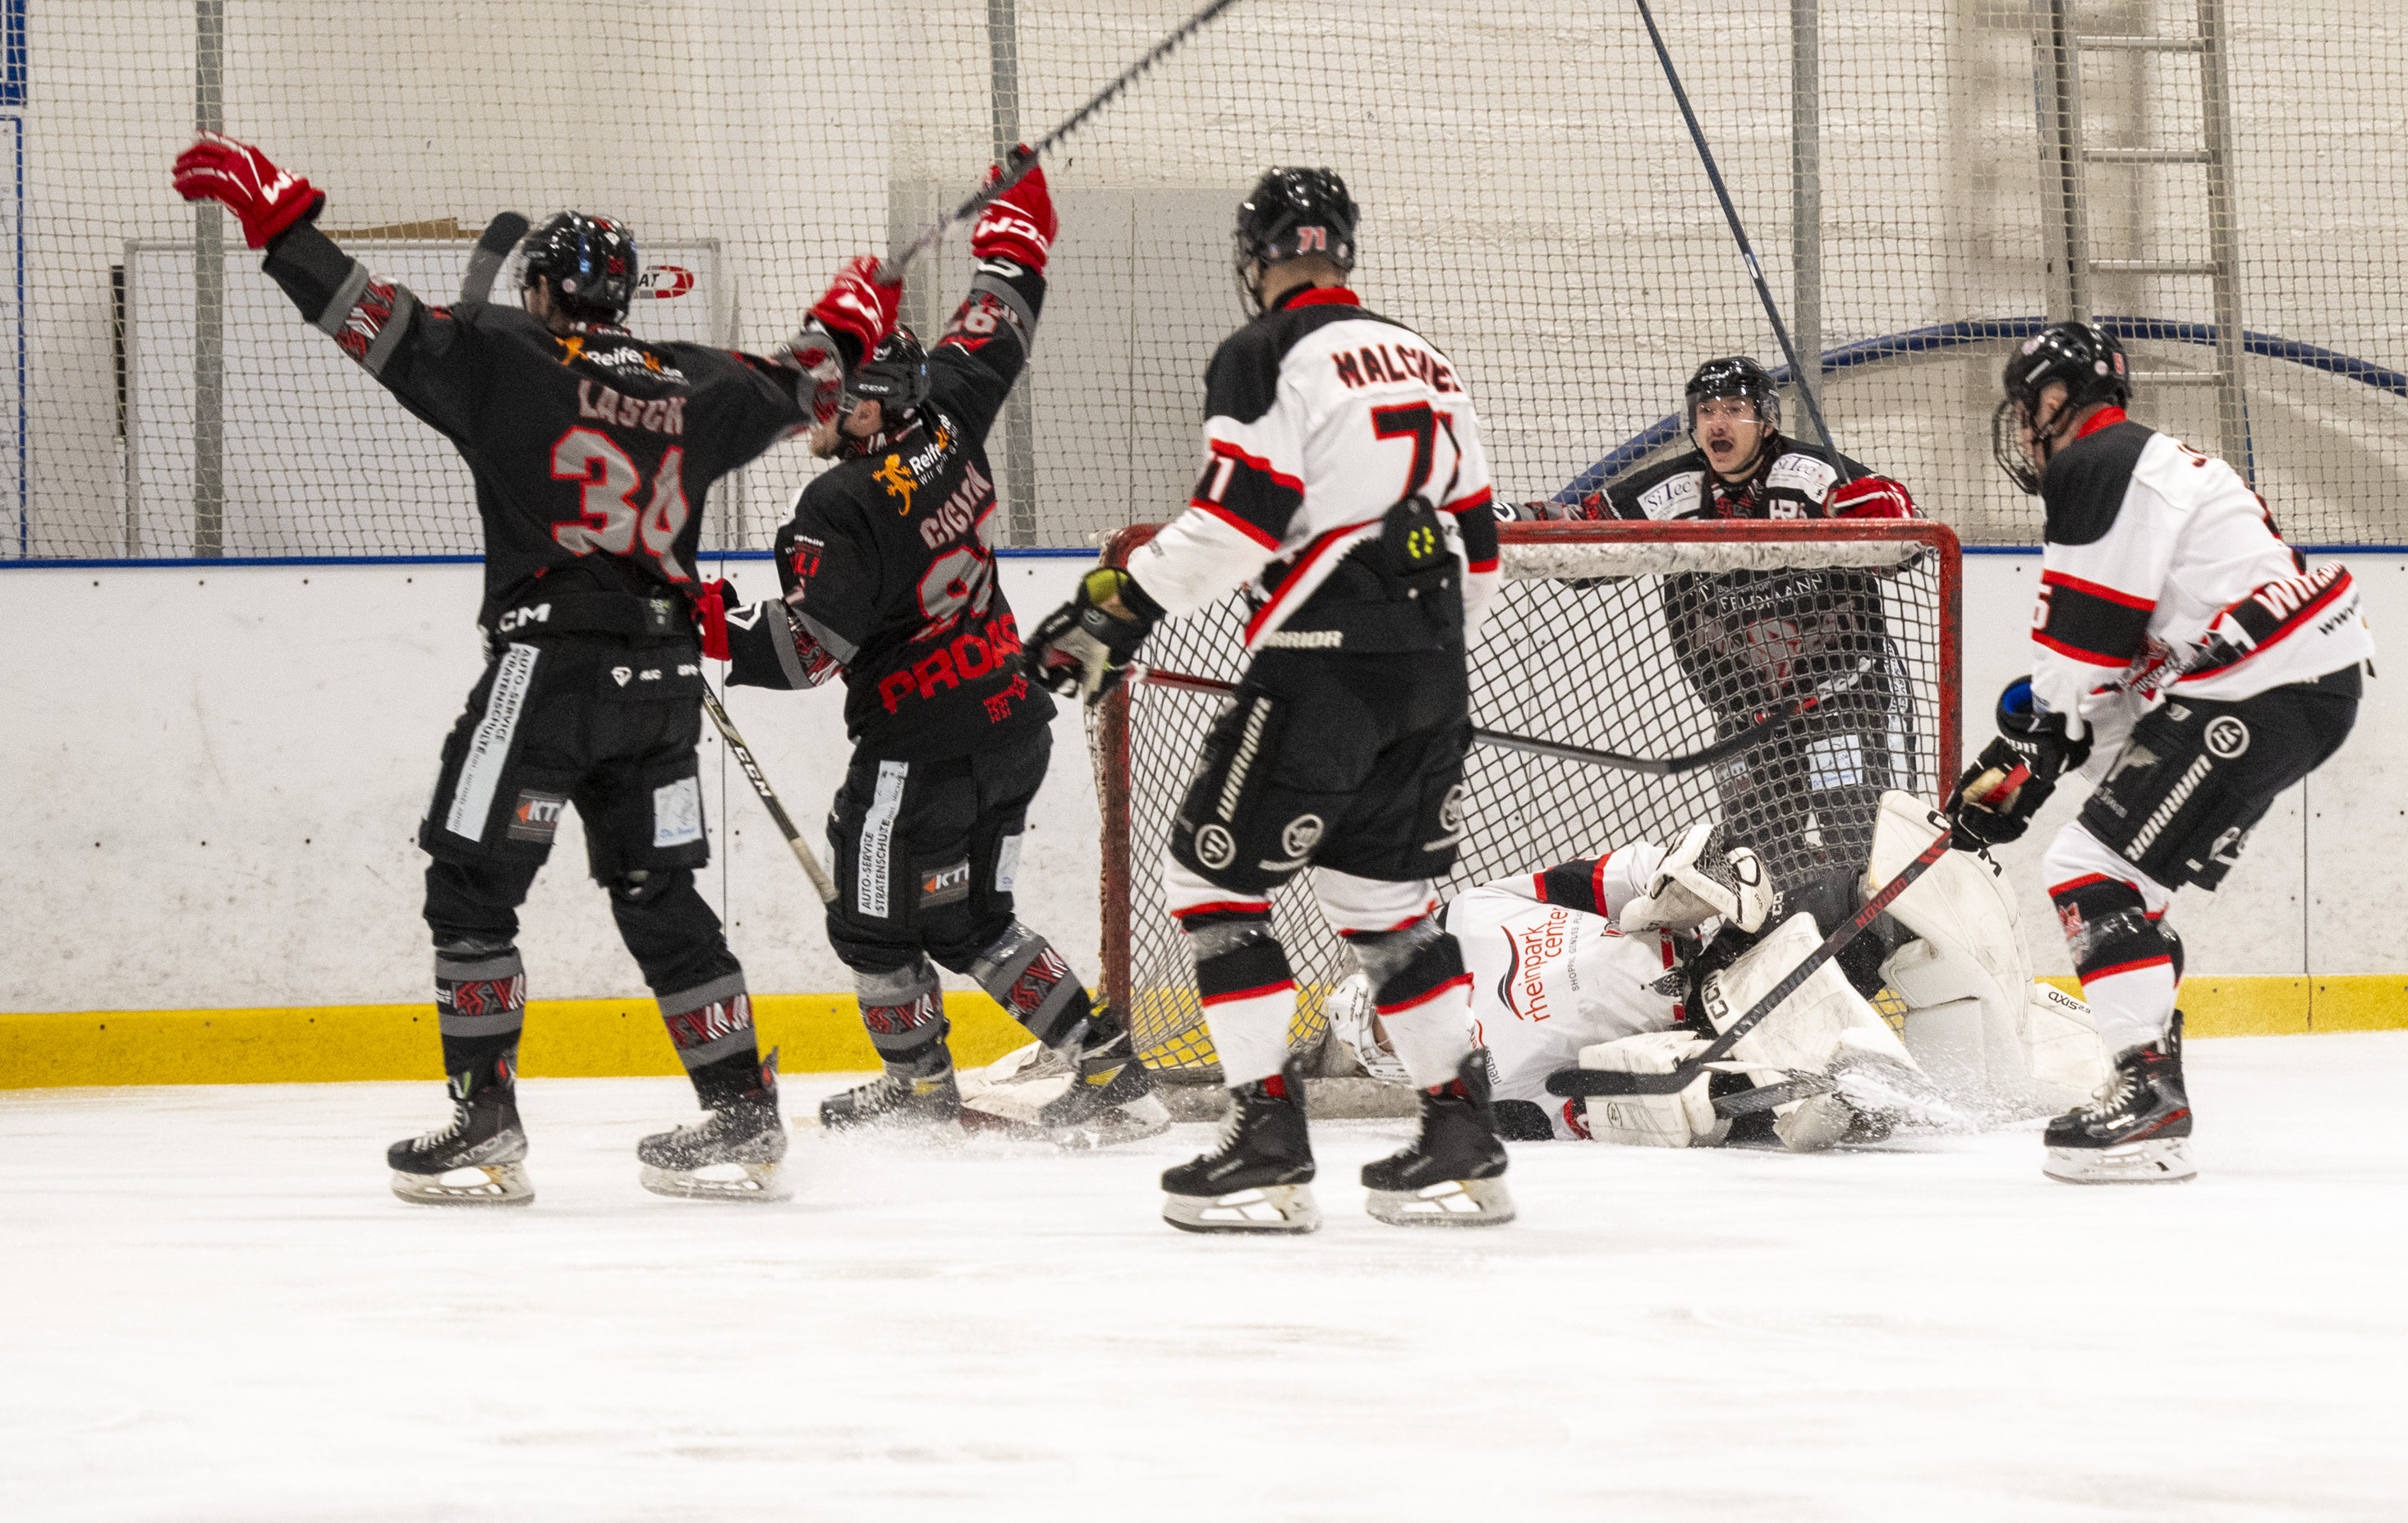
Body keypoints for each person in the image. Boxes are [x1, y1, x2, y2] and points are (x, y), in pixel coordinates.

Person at [173, 133, 873, 1206]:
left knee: (469, 886)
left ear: (543, 287)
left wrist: (276, 224)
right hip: (665, 682)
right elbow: (804, 386)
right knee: (659, 892)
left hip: (548, 671)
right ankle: (741, 1111)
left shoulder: (501, 352)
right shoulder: (693, 380)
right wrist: (845, 325)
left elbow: (361, 313)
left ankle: (486, 1121)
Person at [1028, 167, 1510, 1234]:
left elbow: (1236, 524)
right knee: (1384, 908)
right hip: (1433, 666)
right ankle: (1461, 1133)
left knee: (1210, 880)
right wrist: (1418, 664)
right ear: (1344, 248)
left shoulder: (1262, 351)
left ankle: (1268, 1139)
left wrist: (1120, 609)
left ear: (1254, 261)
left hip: (1320, 665)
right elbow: (1479, 546)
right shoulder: (1427, 361)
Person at [715, 152, 1169, 1150]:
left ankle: (920, 1094)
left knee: (873, 927)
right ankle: (1108, 1066)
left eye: (830, 396)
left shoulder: (840, 503)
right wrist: (1018, 227)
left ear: (872, 407)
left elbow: (803, 653)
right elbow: (998, 312)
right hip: (1012, 724)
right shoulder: (948, 413)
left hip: (917, 752)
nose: (813, 410)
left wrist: (700, 618)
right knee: (970, 920)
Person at [1951, 320, 2372, 1184]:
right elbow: (2119, 687)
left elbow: (2088, 649)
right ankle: (2148, 1082)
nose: (2025, 429)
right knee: (2123, 875)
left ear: (2057, 400)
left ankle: (2147, 1099)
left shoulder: (2096, 460)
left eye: (2029, 407)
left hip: (2269, 680)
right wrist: (2045, 748)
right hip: (2294, 682)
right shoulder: (2146, 464)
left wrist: (2037, 745)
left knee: (2087, 864)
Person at [1328, 793, 2105, 1149]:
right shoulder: (1482, 1095)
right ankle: (1836, 1085)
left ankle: (2015, 1047)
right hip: (1708, 1023)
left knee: (1884, 897)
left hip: (1721, 936)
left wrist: (1678, 879)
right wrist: (1724, 1101)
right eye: (1389, 1037)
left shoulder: (1470, 915)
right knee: (1815, 1078)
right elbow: (1598, 1109)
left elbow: (1596, 881)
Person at [1533, 357, 1928, 962]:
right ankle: (1779, 984)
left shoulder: (1810, 474)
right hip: (1747, 713)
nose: (1718, 423)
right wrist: (1528, 521)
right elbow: (1585, 542)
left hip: (1845, 698)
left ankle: (1883, 984)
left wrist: (1875, 517)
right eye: (1706, 411)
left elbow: (1907, 539)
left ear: (1766, 420)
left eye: (1735, 410)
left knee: (1866, 847)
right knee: (1758, 858)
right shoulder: (1675, 491)